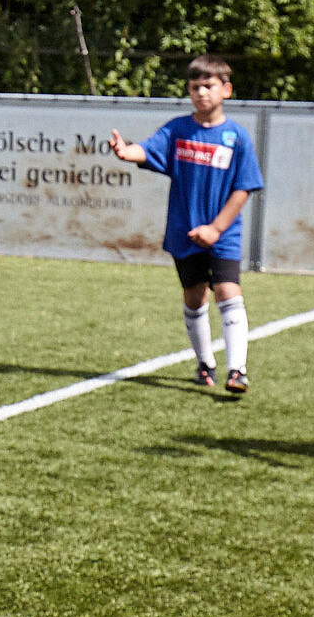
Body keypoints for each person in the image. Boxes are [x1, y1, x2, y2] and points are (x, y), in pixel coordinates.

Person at [109, 54, 266, 394]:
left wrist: (216, 229)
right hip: (184, 233)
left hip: (222, 234)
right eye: (195, 87)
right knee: (195, 298)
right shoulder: (178, 130)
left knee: (227, 291)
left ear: (226, 90)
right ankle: (205, 364)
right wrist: (126, 152)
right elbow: (148, 150)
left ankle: (237, 370)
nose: (201, 93)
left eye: (208, 86)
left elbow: (244, 188)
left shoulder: (237, 137)